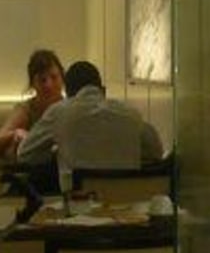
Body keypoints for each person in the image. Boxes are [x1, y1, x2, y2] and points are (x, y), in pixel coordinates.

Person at [14, 59, 165, 179]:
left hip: (77, 202)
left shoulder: (59, 113)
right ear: (102, 89)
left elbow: (25, 153)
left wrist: (55, 152)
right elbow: (157, 152)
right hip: (127, 203)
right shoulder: (130, 114)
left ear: (69, 92)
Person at [0, 48, 65, 160]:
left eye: (54, 77)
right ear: (33, 84)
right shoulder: (28, 109)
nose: (49, 85)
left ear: (63, 78)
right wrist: (15, 134)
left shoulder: (70, 108)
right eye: (42, 80)